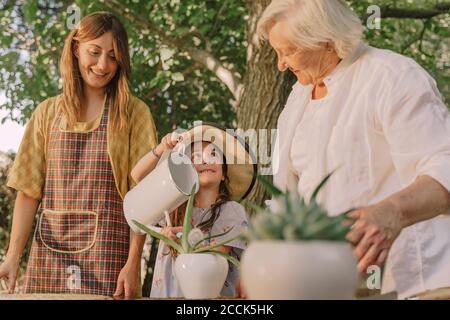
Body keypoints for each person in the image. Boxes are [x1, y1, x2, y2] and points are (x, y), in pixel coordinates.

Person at [258, 0, 450, 299]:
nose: (281, 63)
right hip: (329, 285)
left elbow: (444, 164)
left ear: (327, 40)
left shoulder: (392, 76)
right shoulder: (297, 97)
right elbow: (289, 201)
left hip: (413, 283)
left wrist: (393, 212)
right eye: (277, 51)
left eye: (289, 50)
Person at [0, 12, 157, 298]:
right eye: (94, 52)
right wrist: (12, 257)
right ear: (75, 49)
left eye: (113, 55)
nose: (102, 65)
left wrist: (133, 262)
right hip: (50, 258)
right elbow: (28, 193)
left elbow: (144, 196)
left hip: (109, 259)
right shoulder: (47, 113)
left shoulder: (134, 114)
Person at [131, 123, 256, 297]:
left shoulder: (231, 211)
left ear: (223, 174)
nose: (205, 160)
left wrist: (185, 237)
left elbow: (217, 254)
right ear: (187, 169)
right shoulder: (174, 207)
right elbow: (138, 176)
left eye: (213, 154)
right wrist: (162, 147)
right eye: (196, 157)